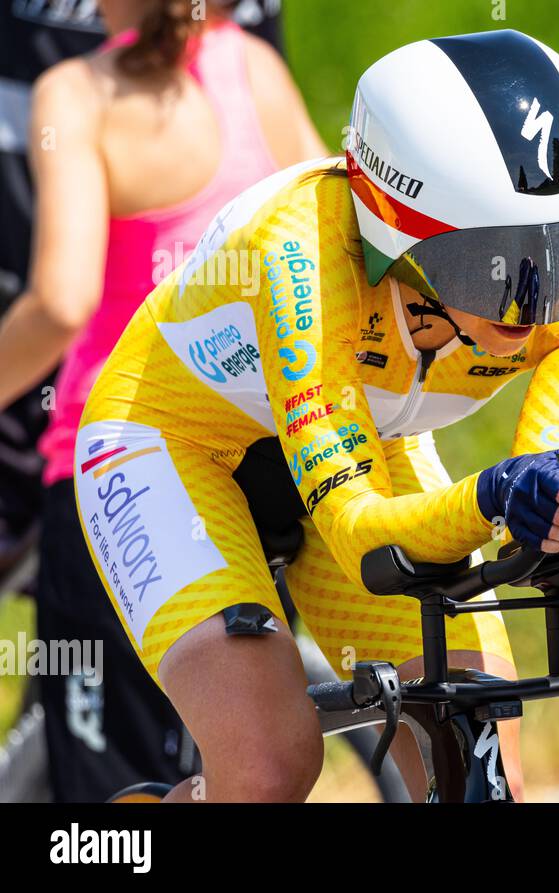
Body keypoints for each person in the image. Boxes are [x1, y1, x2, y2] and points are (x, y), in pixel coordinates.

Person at [72, 29, 559, 803]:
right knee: (268, 766)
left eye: (558, 246)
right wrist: (489, 495)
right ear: (397, 224)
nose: (532, 295)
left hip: (367, 440)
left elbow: (544, 495)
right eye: (492, 261)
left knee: (481, 757)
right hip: (173, 440)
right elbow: (358, 531)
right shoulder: (304, 252)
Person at [0, 0, 324, 801]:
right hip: (269, 470)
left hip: (123, 469)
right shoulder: (256, 70)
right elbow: (330, 249)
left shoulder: (76, 94)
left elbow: (62, 301)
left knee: (112, 801)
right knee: (241, 772)